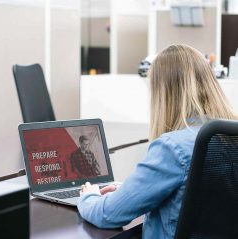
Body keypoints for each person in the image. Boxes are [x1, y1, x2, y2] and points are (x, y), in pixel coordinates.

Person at [77, 44, 237, 239]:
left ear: (164, 94)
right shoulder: (228, 136)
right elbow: (203, 195)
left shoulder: (172, 147)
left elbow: (107, 214)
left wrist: (88, 195)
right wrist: (132, 192)